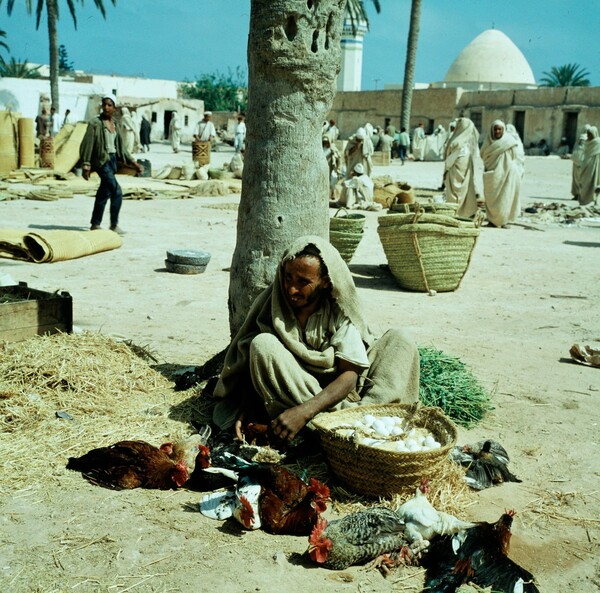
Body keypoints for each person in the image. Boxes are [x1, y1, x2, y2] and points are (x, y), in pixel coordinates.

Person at [212, 236, 420, 442]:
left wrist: (304, 412)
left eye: (303, 282)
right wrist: (247, 406)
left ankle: (362, 421)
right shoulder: (273, 304)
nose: (292, 289)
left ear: (325, 283)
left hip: (343, 394)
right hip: (296, 389)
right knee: (262, 343)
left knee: (400, 341)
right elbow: (255, 363)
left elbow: (349, 376)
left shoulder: (340, 309)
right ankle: (326, 428)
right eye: (288, 278)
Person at [79, 94, 142, 235]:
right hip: (102, 161)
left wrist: (133, 162)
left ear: (114, 108)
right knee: (117, 191)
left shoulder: (116, 124)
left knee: (104, 192)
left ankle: (95, 224)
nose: (106, 107)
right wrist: (86, 164)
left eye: (110, 105)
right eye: (104, 104)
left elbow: (121, 147)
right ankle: (114, 225)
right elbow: (87, 144)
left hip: (112, 161)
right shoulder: (95, 123)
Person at [480, 120, 524, 228]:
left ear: (503, 130)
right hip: (492, 174)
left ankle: (504, 221)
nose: (497, 131)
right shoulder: (488, 142)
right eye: (495, 129)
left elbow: (514, 156)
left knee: (505, 197)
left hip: (507, 173)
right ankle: (492, 220)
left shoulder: (509, 142)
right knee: (491, 199)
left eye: (500, 129)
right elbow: (483, 155)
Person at [442, 117, 483, 218]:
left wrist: (446, 171)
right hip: (459, 174)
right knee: (461, 193)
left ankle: (457, 214)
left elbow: (449, 162)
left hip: (457, 174)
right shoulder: (461, 143)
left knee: (456, 195)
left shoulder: (457, 142)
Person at [577, 125, 600, 206]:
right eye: (588, 134)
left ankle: (594, 200)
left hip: (595, 166)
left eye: (590, 134)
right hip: (585, 165)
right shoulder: (586, 142)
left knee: (594, 183)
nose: (589, 136)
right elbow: (581, 152)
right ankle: (584, 200)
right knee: (584, 183)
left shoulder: (598, 143)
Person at [322, 136, 342, 201]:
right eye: (324, 142)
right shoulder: (322, 149)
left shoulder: (333, 149)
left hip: (331, 168)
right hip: (322, 168)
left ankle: (333, 194)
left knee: (332, 182)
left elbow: (339, 158)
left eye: (327, 142)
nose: (326, 143)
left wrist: (338, 169)